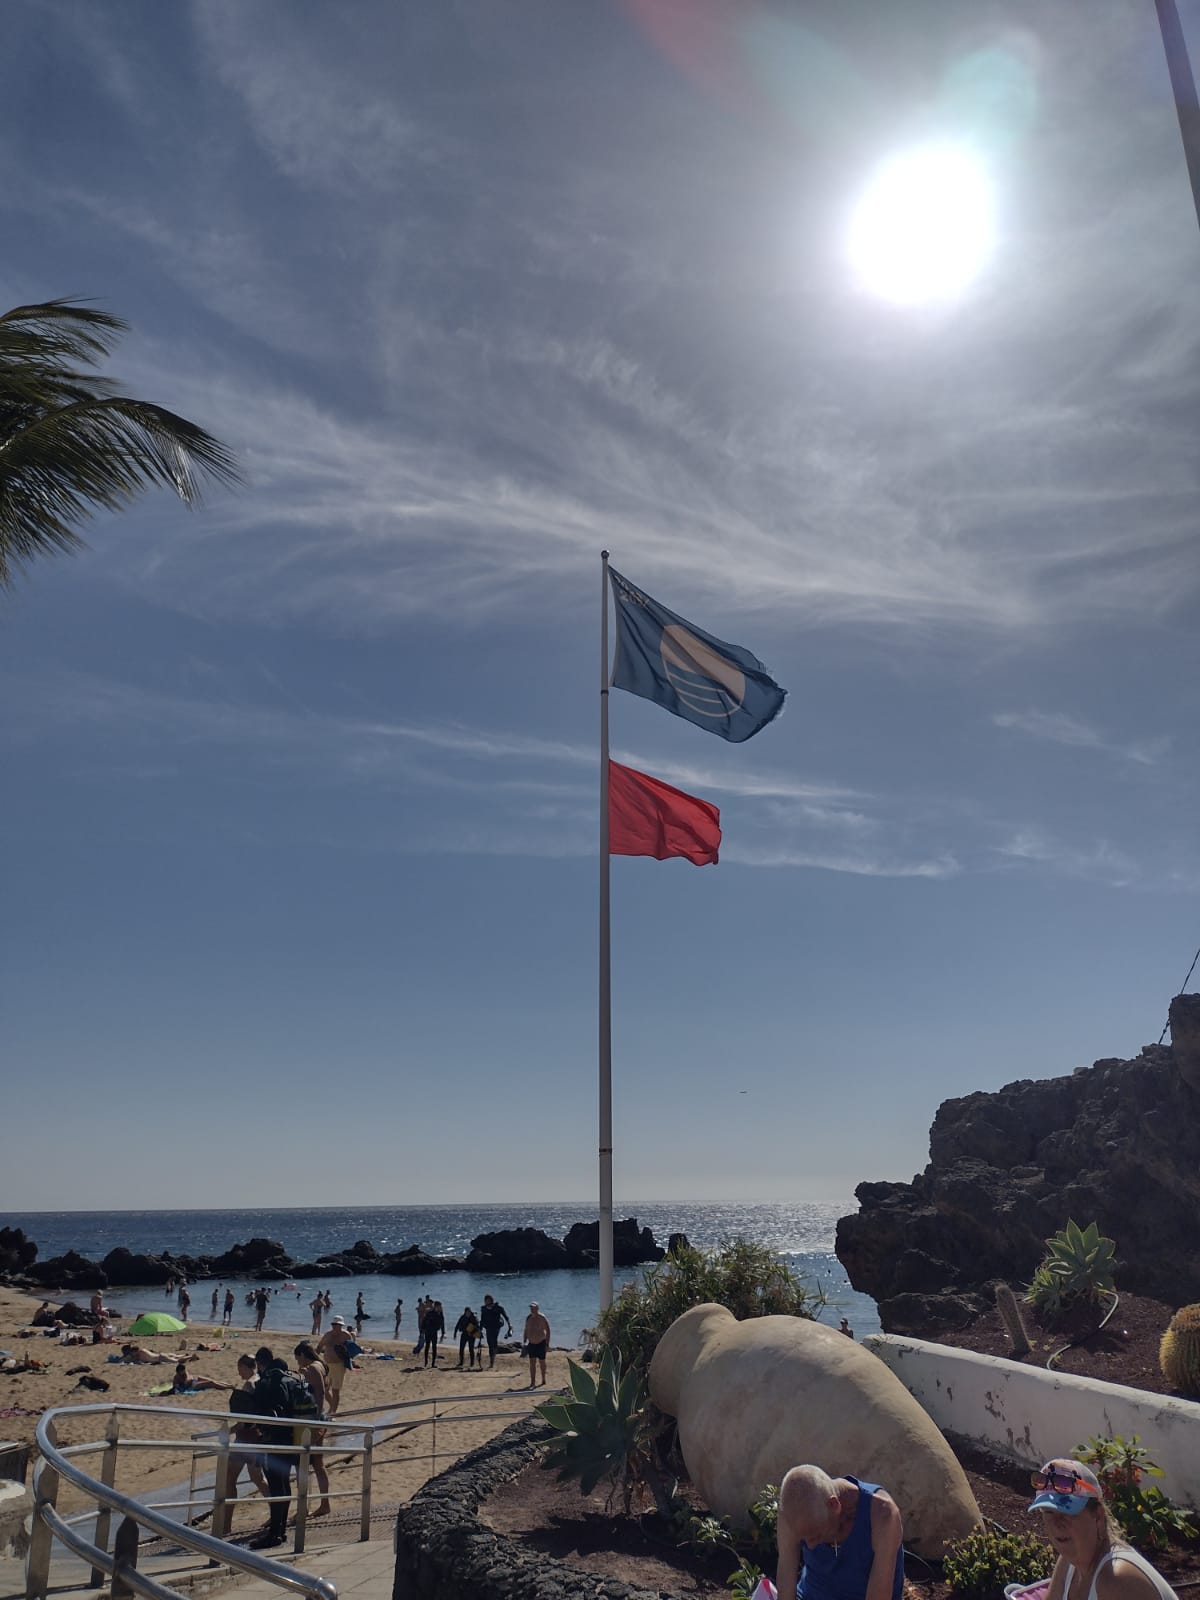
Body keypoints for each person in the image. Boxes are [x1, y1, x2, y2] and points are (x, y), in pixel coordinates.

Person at [1027, 1459, 1179, 1600]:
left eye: (1067, 1512)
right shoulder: (1068, 1563)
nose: (1056, 1523)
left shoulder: (1116, 1579)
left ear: (1098, 1517)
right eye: (1048, 1512)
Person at [775, 1464, 903, 1600]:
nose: (810, 1546)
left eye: (816, 1536)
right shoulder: (792, 1511)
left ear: (834, 1505)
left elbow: (879, 1596)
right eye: (803, 1540)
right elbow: (786, 1579)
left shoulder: (882, 1515)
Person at [248, 1346, 303, 1548]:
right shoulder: (291, 1381)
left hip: (272, 1440)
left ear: (261, 1364)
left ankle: (274, 1534)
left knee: (276, 1486)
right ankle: (281, 1531)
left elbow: (259, 1415)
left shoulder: (265, 1383)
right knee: (284, 1484)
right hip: (291, 1439)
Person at [292, 1341, 332, 1518]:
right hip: (317, 1418)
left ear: (302, 1355)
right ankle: (322, 1503)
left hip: (313, 1420)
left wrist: (316, 1422)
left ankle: (314, 1505)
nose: (297, 1362)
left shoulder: (314, 1368)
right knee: (317, 1464)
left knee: (309, 1463)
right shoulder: (320, 1366)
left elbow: (320, 1394)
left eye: (297, 1358)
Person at [224, 1354, 269, 1507]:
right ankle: (277, 1510)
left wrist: (228, 1431)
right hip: (258, 1435)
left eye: (239, 1369)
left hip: (246, 1438)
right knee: (257, 1478)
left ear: (245, 1366)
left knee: (229, 1479)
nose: (239, 1373)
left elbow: (245, 1419)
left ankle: (226, 1525)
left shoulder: (249, 1385)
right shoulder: (261, 1380)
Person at [316, 1315, 353, 1415]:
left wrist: (349, 1361)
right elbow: (319, 1347)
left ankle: (333, 1412)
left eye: (337, 1325)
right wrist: (315, 1360)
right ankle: (332, 1406)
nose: (335, 1326)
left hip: (339, 1365)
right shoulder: (328, 1335)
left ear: (341, 1325)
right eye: (334, 1324)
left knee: (335, 1390)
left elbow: (352, 1350)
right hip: (327, 1365)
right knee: (324, 1389)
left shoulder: (346, 1336)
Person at [479, 1295, 512, 1369]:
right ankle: (492, 1356)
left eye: (488, 1300)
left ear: (491, 1300)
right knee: (489, 1343)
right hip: (488, 1327)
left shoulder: (498, 1307)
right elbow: (482, 1320)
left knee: (493, 1341)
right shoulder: (483, 1309)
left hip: (496, 1327)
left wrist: (510, 1326)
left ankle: (492, 1361)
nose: (486, 1302)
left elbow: (506, 1317)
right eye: (485, 1300)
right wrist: (480, 1330)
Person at [523, 1303, 550, 1388]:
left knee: (542, 1362)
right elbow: (526, 1329)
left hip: (541, 1342)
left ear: (537, 1308)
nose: (532, 1310)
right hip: (531, 1343)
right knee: (532, 1363)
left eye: (533, 1308)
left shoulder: (542, 1318)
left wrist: (547, 1344)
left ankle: (543, 1378)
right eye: (531, 1308)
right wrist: (524, 1340)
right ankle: (533, 1382)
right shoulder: (528, 1318)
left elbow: (548, 1330)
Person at [421, 1300, 445, 1368]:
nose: (441, 1308)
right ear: (436, 1307)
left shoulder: (440, 1314)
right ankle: (426, 1362)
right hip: (428, 1332)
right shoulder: (430, 1313)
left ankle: (433, 1363)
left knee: (434, 1347)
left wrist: (443, 1332)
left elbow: (442, 1323)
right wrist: (422, 1330)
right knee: (427, 1346)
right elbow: (424, 1321)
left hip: (434, 1332)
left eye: (441, 1307)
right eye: (440, 1306)